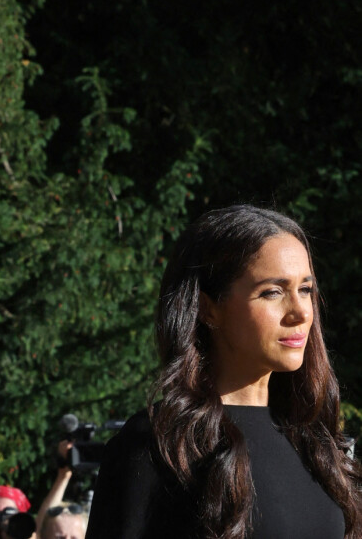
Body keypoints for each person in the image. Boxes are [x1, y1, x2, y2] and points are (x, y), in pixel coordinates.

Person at [86, 205, 362, 538]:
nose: (301, 312)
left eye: (306, 289)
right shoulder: (162, 445)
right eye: (273, 292)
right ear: (208, 308)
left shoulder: (315, 440)